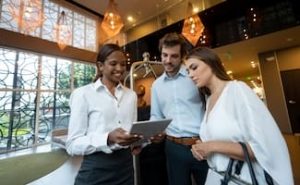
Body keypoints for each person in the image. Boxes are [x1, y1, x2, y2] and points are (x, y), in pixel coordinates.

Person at [185, 47, 294, 185]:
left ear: (211, 63)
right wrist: (202, 148)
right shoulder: (209, 100)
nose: (190, 74)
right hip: (216, 177)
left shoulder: (237, 90)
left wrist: (211, 146)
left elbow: (261, 147)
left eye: (194, 68)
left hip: (240, 178)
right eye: (188, 71)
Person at [66, 43, 142, 185]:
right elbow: (72, 144)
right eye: (113, 64)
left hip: (125, 167)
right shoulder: (83, 94)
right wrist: (107, 138)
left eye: (123, 64)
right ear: (101, 66)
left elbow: (131, 130)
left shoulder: (131, 95)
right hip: (96, 168)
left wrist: (138, 142)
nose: (119, 69)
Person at [150, 32, 209, 185]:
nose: (167, 61)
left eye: (174, 56)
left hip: (202, 144)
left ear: (182, 56)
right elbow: (156, 115)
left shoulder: (194, 76)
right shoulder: (156, 86)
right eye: (164, 55)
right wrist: (154, 131)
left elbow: (211, 107)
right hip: (173, 148)